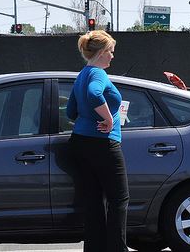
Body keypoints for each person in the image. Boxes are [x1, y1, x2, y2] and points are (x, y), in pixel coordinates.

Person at [66, 30, 128, 252]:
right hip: (103, 144)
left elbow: (70, 112)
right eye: (110, 51)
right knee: (119, 199)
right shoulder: (98, 75)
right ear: (101, 52)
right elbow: (94, 94)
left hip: (80, 143)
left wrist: (89, 118)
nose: (112, 56)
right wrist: (109, 119)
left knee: (94, 201)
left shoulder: (81, 74)